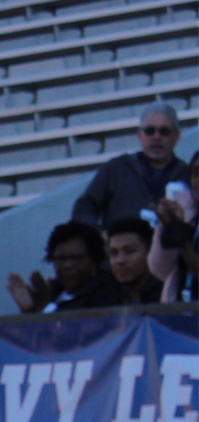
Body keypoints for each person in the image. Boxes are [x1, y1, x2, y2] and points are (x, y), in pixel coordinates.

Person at [72, 103, 187, 230]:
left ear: (177, 136)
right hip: (119, 248)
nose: (156, 137)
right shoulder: (117, 168)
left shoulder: (188, 174)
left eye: (164, 131)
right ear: (139, 135)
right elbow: (84, 208)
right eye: (150, 131)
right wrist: (100, 236)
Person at [6, 221, 126, 313]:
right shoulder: (51, 292)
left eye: (76, 258)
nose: (67, 265)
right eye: (60, 259)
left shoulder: (110, 294)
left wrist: (46, 307)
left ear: (95, 259)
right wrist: (30, 310)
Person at [149, 160, 198, 302]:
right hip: (180, 316)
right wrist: (168, 226)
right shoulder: (187, 214)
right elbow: (159, 270)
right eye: (196, 173)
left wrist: (179, 234)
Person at [104, 217, 164, 305]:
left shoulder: (166, 296)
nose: (120, 260)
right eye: (114, 253)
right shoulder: (106, 298)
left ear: (150, 252)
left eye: (129, 251)